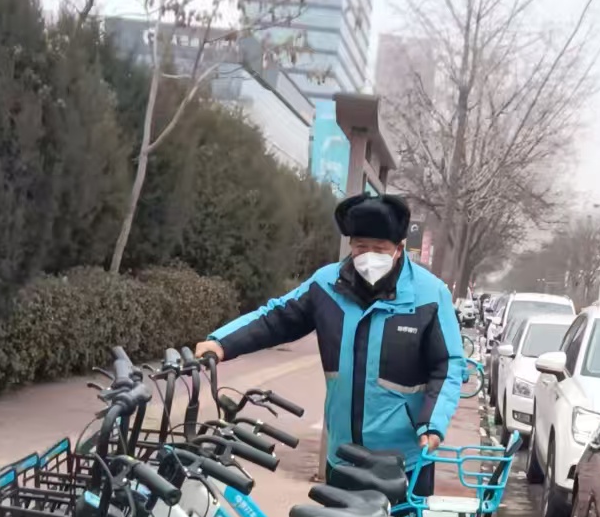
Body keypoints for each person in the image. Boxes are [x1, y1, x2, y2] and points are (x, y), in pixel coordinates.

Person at [194, 193, 465, 496]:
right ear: (350, 245)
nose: (369, 257)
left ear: (399, 249)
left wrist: (433, 423)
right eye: (361, 247)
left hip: (405, 462)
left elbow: (449, 365)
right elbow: (276, 317)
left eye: (379, 249)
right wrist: (222, 343)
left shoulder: (429, 295)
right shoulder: (327, 285)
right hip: (343, 456)